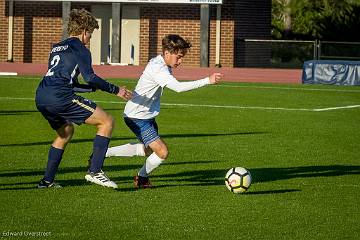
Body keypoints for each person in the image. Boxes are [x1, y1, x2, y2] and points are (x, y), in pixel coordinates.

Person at [106, 34, 222, 188]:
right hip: (137, 116)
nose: (180, 61)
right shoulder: (158, 68)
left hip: (145, 115)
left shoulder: (161, 62)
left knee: (148, 150)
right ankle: (141, 178)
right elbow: (178, 88)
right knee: (162, 152)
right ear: (167, 53)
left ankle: (103, 153)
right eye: (179, 57)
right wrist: (208, 80)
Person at [35, 9, 132, 189]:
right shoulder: (80, 48)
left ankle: (46, 181)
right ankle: (95, 171)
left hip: (42, 95)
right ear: (84, 31)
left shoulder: (57, 47)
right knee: (106, 122)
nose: (90, 39)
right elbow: (90, 77)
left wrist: (92, 88)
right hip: (60, 96)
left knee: (65, 132)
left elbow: (71, 82)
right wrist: (116, 90)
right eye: (91, 34)